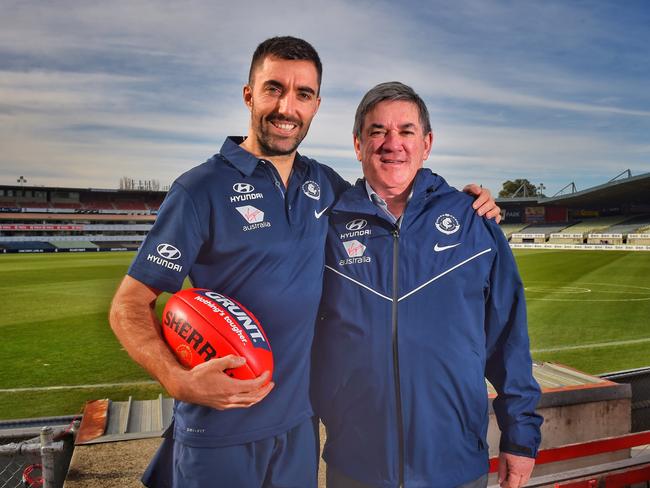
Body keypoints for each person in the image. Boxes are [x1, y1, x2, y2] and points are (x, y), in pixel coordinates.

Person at [109, 38, 500, 488]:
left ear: (316, 105)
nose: (286, 107)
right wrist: (178, 381)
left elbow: (391, 187)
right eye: (273, 88)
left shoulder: (325, 185)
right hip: (221, 428)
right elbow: (128, 306)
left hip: (299, 427)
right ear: (248, 94)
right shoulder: (199, 189)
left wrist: (465, 203)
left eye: (303, 94)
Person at [312, 82, 543, 488]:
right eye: (377, 131)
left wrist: (520, 438)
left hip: (454, 467)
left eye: (406, 131)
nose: (391, 144)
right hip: (357, 467)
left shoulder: (473, 222)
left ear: (427, 143)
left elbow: (509, 340)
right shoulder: (327, 227)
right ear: (358, 143)